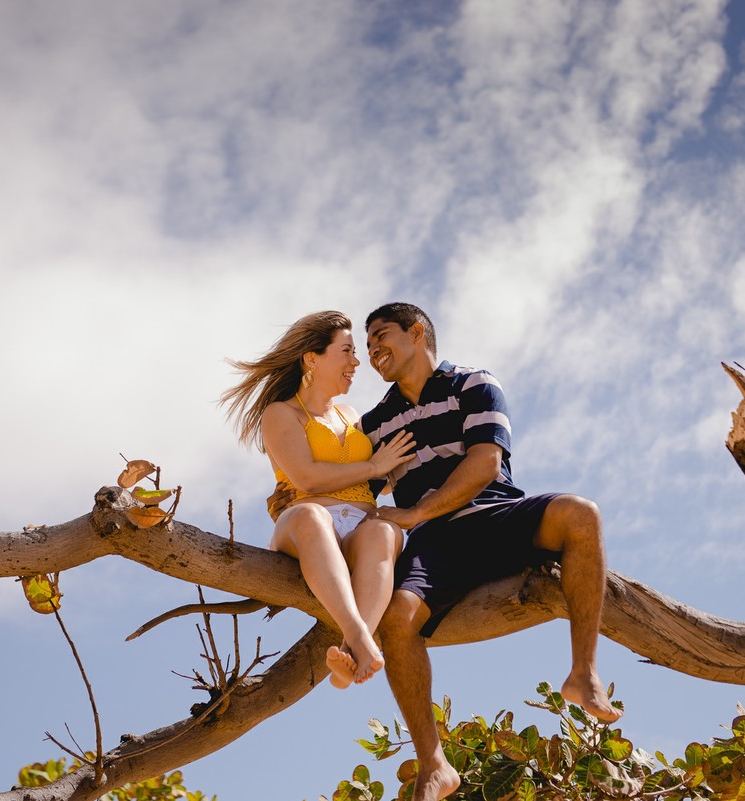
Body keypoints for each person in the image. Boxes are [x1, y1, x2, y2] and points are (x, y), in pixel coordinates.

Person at [357, 302, 622, 801]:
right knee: (396, 619)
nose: (373, 349)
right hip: (435, 544)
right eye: (367, 343)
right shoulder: (374, 423)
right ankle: (433, 764)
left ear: (417, 333)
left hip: (497, 516)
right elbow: (354, 497)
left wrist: (415, 512)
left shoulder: (473, 383)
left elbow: (484, 464)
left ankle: (583, 674)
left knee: (581, 513)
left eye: (381, 336)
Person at [221, 310, 416, 687]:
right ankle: (361, 637)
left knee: (386, 532)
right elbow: (306, 476)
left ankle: (348, 660)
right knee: (311, 515)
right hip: (305, 524)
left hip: (360, 524)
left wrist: (393, 471)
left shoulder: (350, 415)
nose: (356, 362)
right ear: (313, 358)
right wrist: (375, 467)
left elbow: (375, 479)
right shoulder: (280, 414)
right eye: (346, 351)